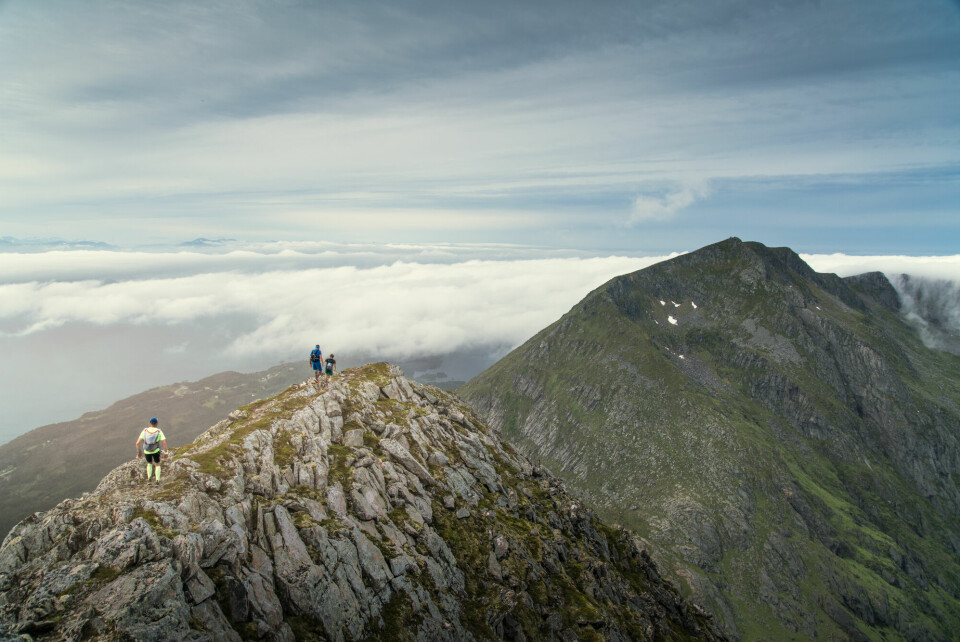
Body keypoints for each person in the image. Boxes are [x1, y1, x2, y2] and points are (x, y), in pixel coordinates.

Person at [136, 417, 168, 483]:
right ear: (156, 423)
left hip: (146, 451)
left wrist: (139, 451)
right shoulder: (159, 431)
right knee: (157, 464)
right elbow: (164, 443)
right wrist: (166, 452)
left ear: (149, 423)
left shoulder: (145, 431)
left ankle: (149, 479)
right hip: (156, 451)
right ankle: (157, 481)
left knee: (149, 464)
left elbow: (137, 443)